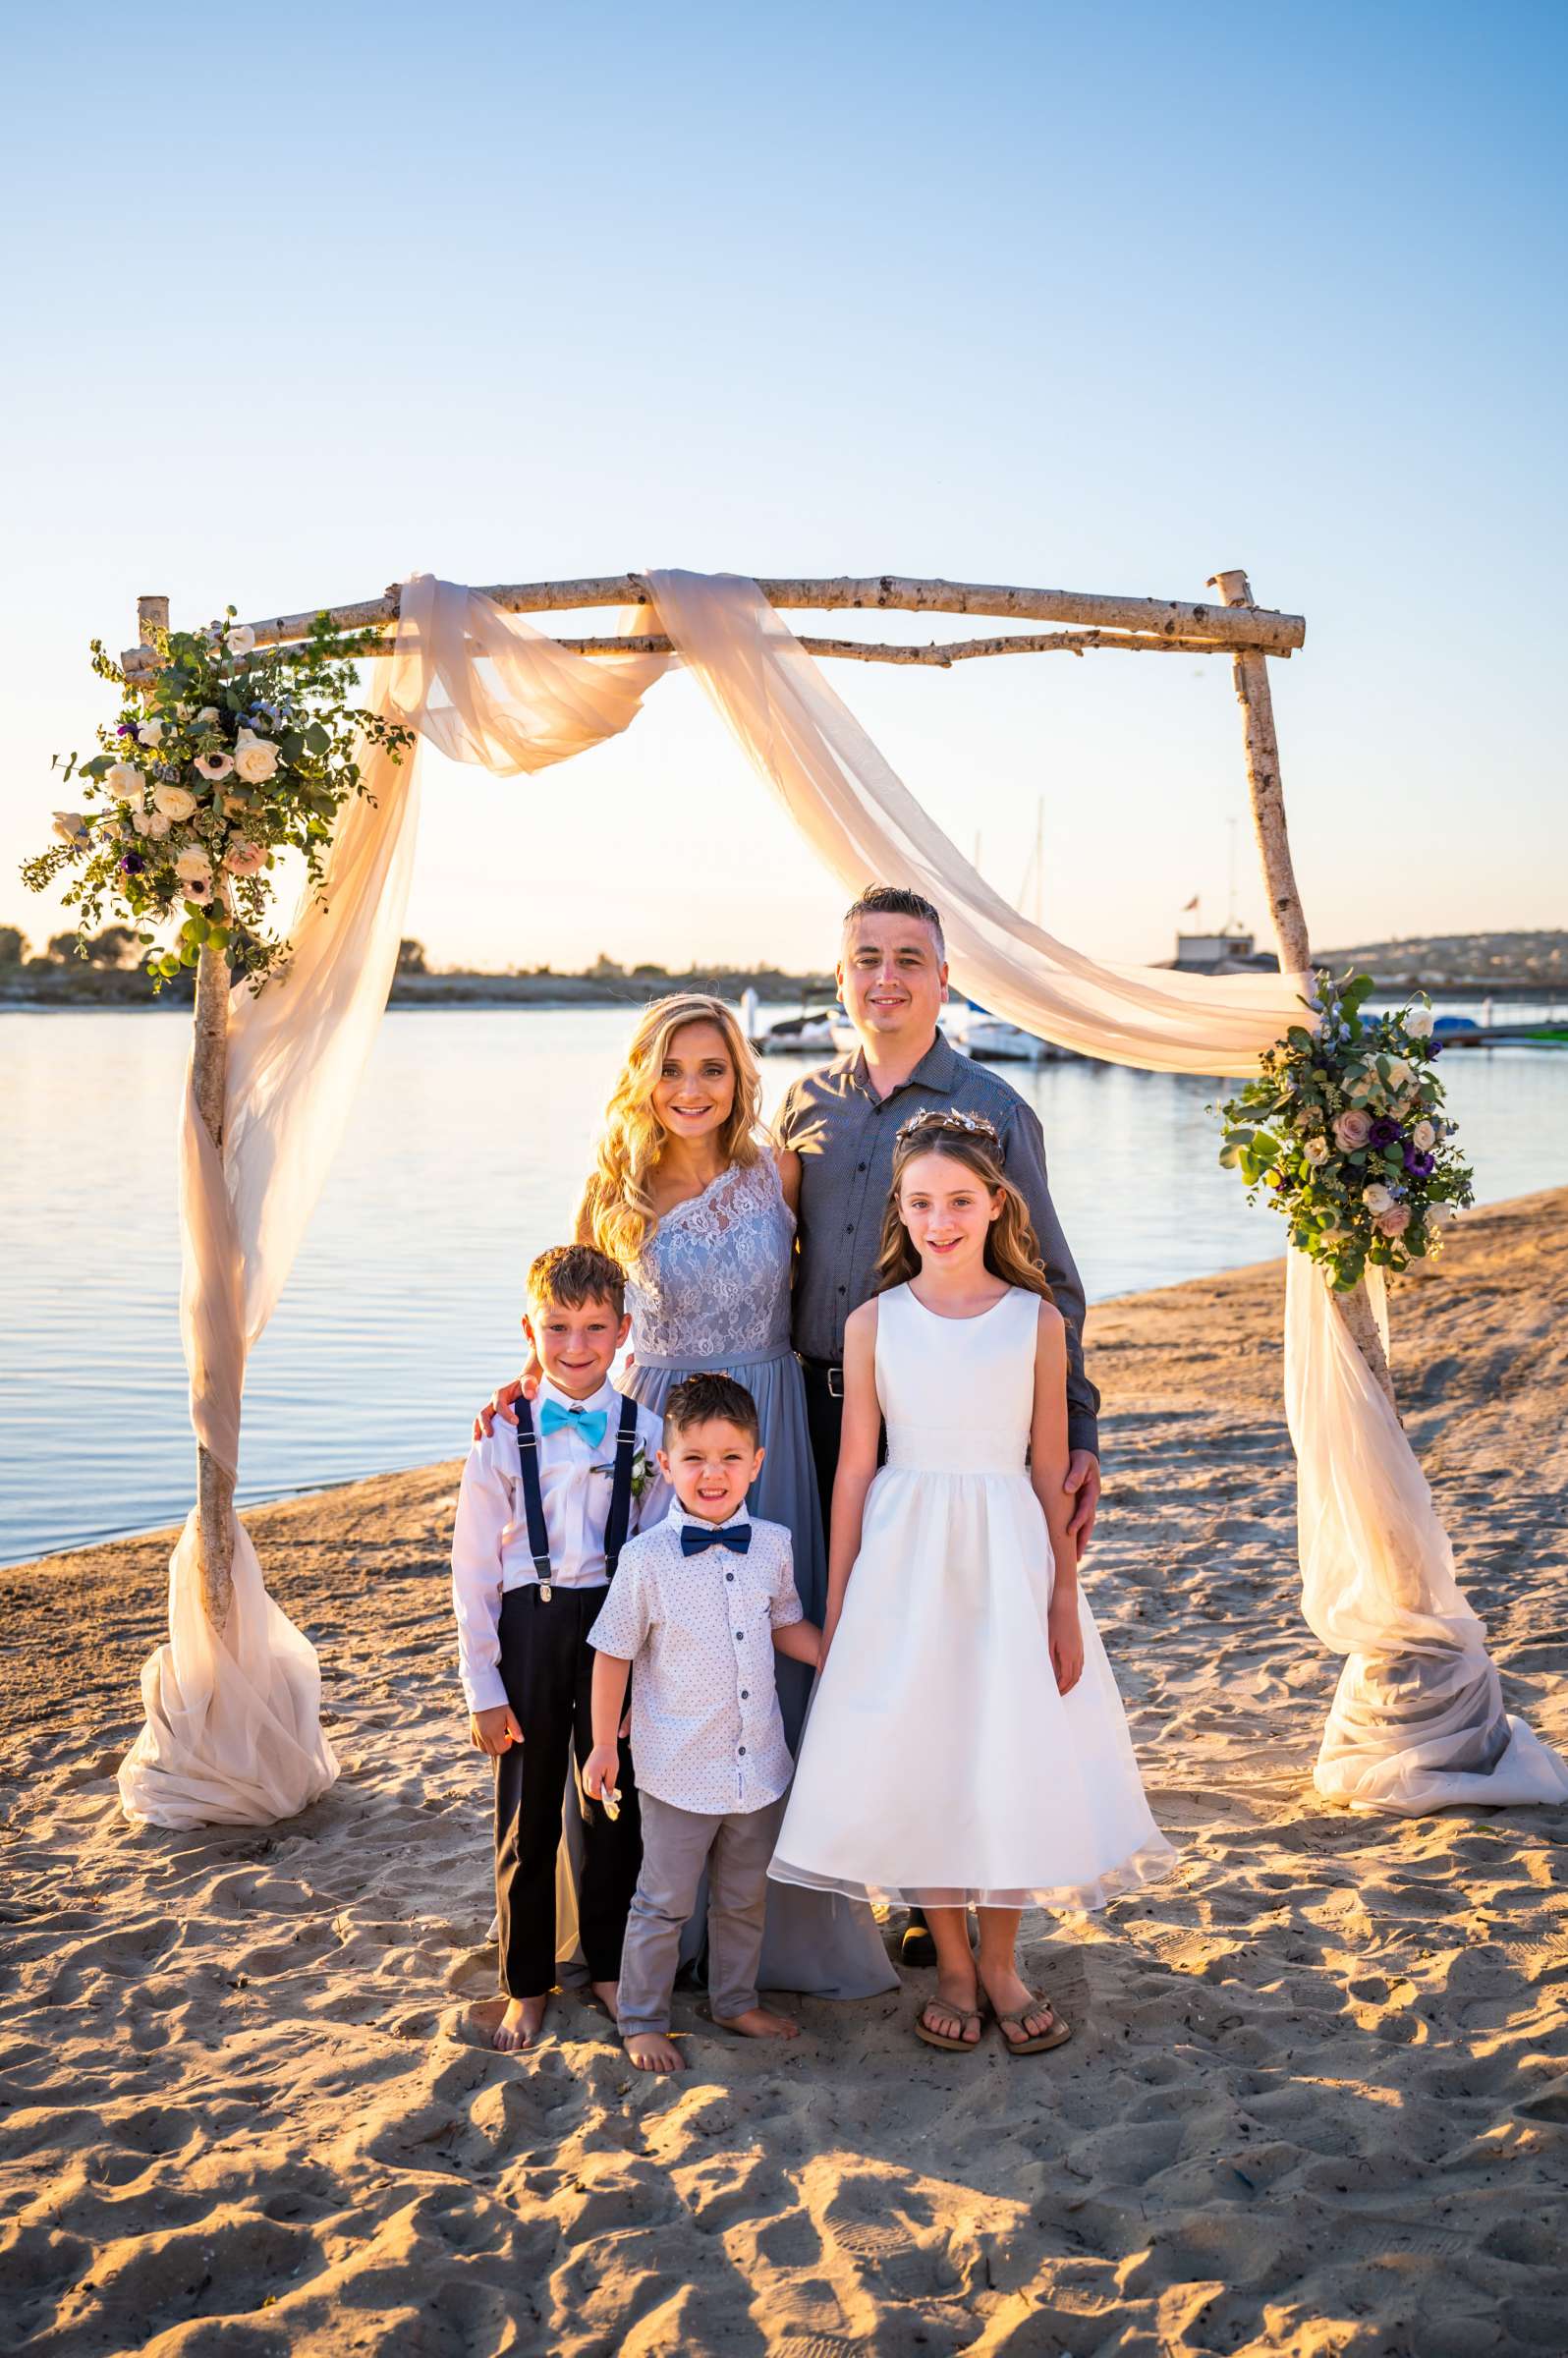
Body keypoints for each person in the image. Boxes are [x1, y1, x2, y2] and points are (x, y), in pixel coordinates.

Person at [477, 992, 896, 2003]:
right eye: (673, 1070)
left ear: (738, 1078)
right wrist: (522, 1393)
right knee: (664, 1652)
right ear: (643, 1078)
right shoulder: (610, 1192)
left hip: (767, 1426)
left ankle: (769, 1927)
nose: (693, 1089)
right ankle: (645, 1921)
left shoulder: (777, 1170)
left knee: (765, 1641)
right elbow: (574, 1323)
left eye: (712, 1069)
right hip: (655, 1430)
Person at [769, 1110, 1174, 2054]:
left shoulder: (1036, 1323)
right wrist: (839, 1603)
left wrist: (1063, 1601)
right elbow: (856, 1473)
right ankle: (949, 1961)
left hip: (1007, 1556)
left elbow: (1046, 1472)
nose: (940, 1221)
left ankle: (1000, 1960)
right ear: (899, 1213)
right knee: (926, 1753)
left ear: (997, 1204)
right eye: (920, 1204)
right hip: (905, 1562)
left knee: (1006, 1750)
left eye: (959, 1201)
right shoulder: (875, 1324)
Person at [779, 882, 1103, 1966]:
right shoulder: (799, 1106)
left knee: (956, 1657)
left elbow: (1050, 1284)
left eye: (908, 958)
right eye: (865, 957)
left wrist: (1079, 1430)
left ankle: (942, 1903)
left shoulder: (995, 1112)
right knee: (852, 1654)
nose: (886, 976)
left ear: (943, 978)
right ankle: (836, 1874)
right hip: (812, 1414)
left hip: (949, 1427)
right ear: (841, 978)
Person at [451, 1243, 666, 2052]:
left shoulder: (646, 1433)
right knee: (528, 1810)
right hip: (529, 1629)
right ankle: (526, 1981)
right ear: (528, 1329)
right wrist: (484, 1687)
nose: (575, 1346)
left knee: (614, 1803)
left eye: (594, 1328)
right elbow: (471, 1566)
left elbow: (650, 1550)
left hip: (613, 1630)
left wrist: (647, 1664)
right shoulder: (502, 1433)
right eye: (557, 1327)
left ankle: (608, 1967)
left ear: (622, 1334)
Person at [584, 1374, 822, 2074]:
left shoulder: (772, 1545)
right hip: (678, 1771)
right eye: (694, 1459)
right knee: (661, 1903)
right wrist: (603, 1744)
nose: (712, 1474)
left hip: (759, 1769)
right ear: (666, 1465)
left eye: (729, 1458)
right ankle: (642, 2018)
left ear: (758, 1462)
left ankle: (734, 2000)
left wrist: (842, 1656)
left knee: (744, 1899)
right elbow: (611, 1655)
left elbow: (787, 1627)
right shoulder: (647, 1560)